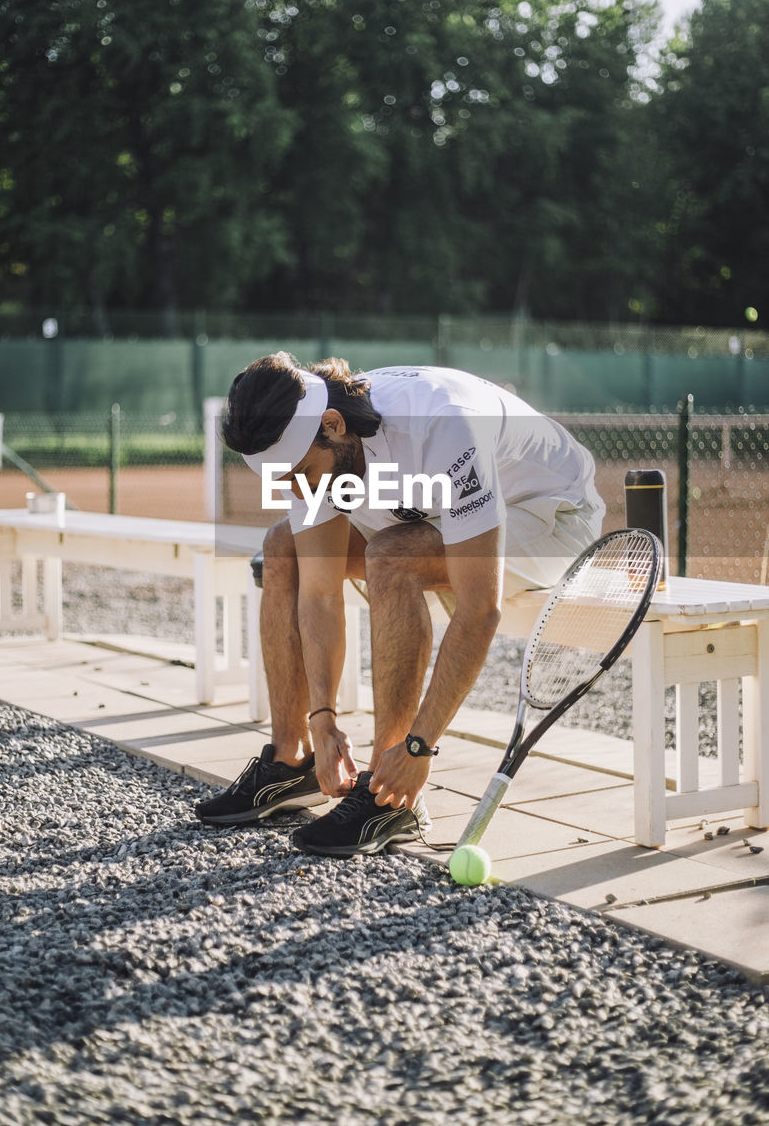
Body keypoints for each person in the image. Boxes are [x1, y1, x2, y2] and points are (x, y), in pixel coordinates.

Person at [195, 353, 604, 857]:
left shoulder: (442, 425)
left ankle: (390, 792)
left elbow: (480, 608)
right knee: (285, 547)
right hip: (435, 510)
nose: (298, 490)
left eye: (302, 474)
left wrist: (418, 747)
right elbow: (320, 594)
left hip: (552, 515)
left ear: (333, 425)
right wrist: (321, 722)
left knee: (393, 556)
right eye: (284, 481)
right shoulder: (310, 445)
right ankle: (290, 759)